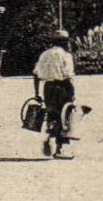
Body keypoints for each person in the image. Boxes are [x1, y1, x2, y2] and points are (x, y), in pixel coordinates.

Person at [33, 30, 78, 158]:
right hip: (63, 88)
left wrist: (36, 93)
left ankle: (49, 139)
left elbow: (35, 74)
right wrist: (73, 93)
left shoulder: (44, 55)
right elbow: (69, 76)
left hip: (48, 88)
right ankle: (60, 148)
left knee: (52, 115)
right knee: (64, 118)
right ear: (65, 42)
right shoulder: (65, 55)